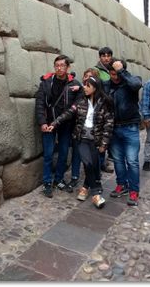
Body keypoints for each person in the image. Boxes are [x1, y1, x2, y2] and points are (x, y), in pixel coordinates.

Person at [47, 76, 114, 209]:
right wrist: (54, 123)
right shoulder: (81, 101)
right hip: (81, 137)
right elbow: (68, 113)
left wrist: (104, 143)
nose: (85, 88)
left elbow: (109, 124)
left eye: (88, 86)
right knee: (87, 163)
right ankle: (96, 193)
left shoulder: (105, 102)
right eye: (84, 85)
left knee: (94, 164)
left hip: (96, 139)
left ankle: (87, 187)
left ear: (95, 88)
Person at [35, 55, 83, 198]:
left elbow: (79, 102)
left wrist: (80, 88)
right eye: (57, 65)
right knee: (48, 154)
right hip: (48, 123)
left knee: (63, 154)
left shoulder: (74, 84)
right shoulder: (46, 82)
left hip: (66, 124)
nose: (59, 68)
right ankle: (47, 182)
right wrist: (42, 122)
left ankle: (59, 179)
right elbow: (40, 104)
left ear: (68, 67)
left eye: (62, 65)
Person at [107, 59, 143, 206]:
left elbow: (136, 85)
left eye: (117, 73)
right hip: (114, 128)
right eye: (112, 73)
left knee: (132, 161)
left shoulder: (131, 82)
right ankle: (122, 184)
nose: (114, 76)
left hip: (130, 127)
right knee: (117, 160)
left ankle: (134, 190)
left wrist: (122, 71)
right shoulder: (107, 85)